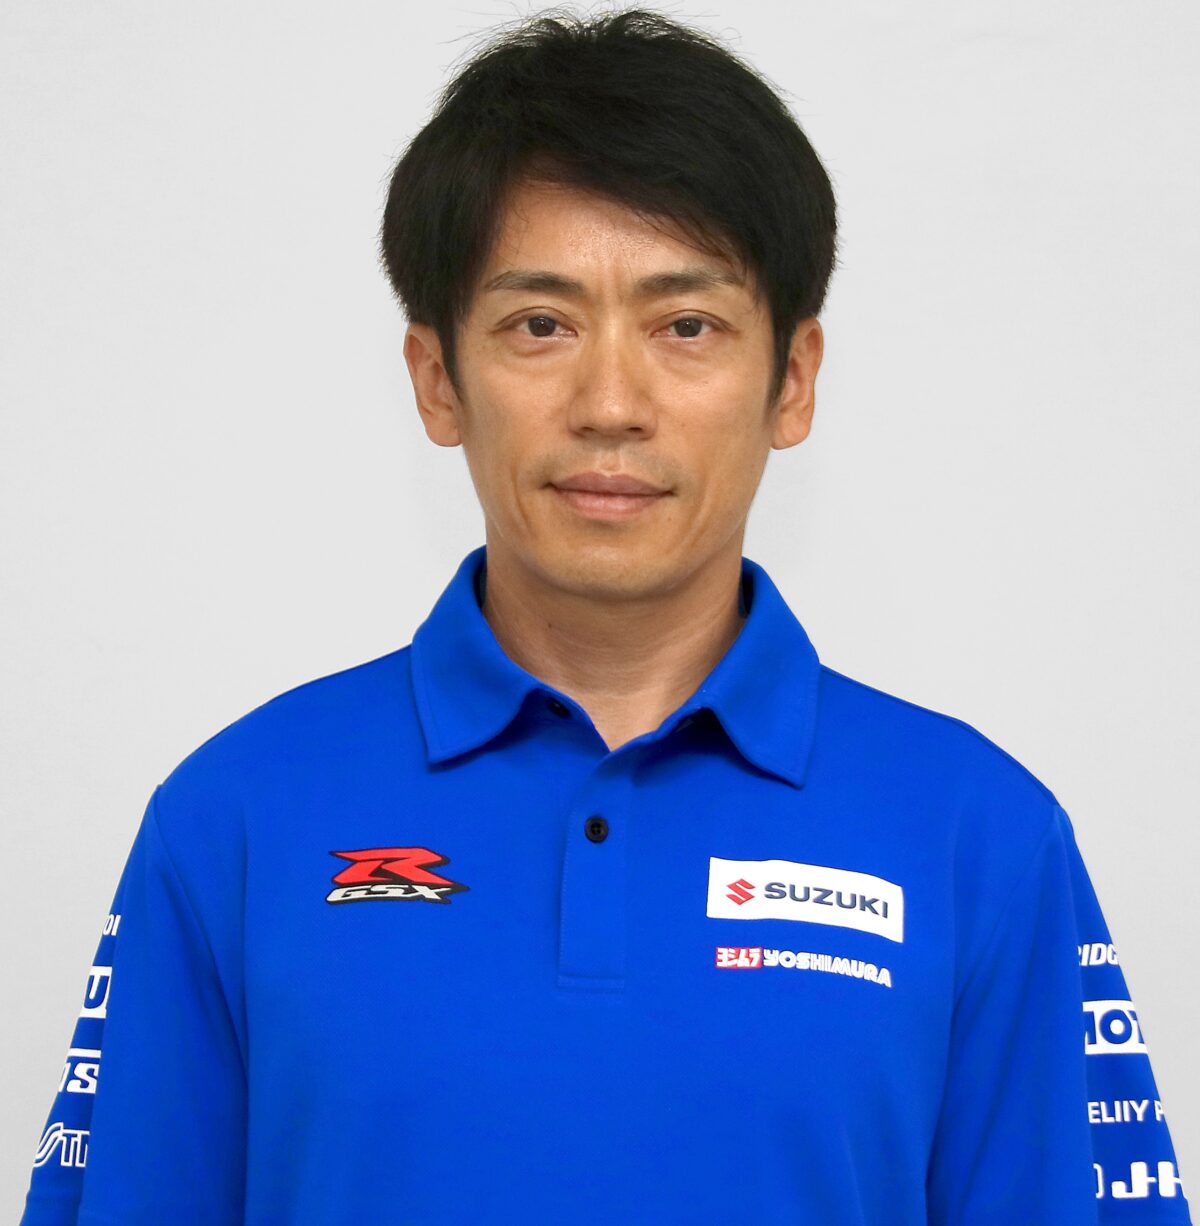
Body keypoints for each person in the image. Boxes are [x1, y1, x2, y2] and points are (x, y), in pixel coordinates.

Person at [19, 8, 1191, 1225]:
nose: (611, 402)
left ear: (791, 380)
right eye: (542, 324)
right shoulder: (236, 817)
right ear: (437, 378)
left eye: (688, 326)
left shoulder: (979, 836)